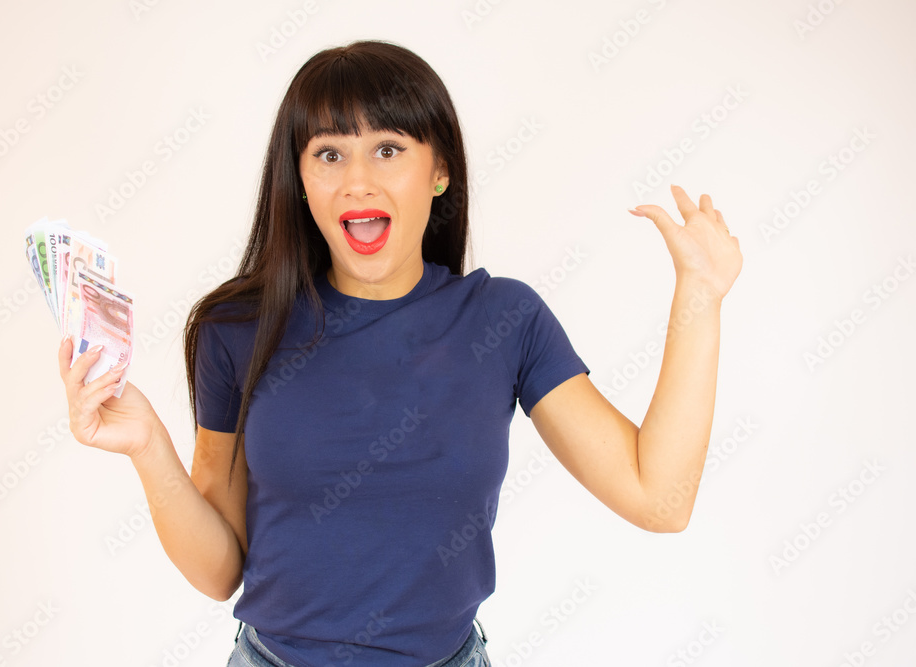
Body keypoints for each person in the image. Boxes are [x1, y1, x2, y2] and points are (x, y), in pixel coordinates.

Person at [57, 40, 742, 667]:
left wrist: (701, 297)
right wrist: (147, 445)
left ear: (439, 171)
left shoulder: (504, 320)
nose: (357, 181)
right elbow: (218, 571)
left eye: (388, 149)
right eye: (329, 154)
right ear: (299, 178)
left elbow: (659, 498)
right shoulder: (237, 328)